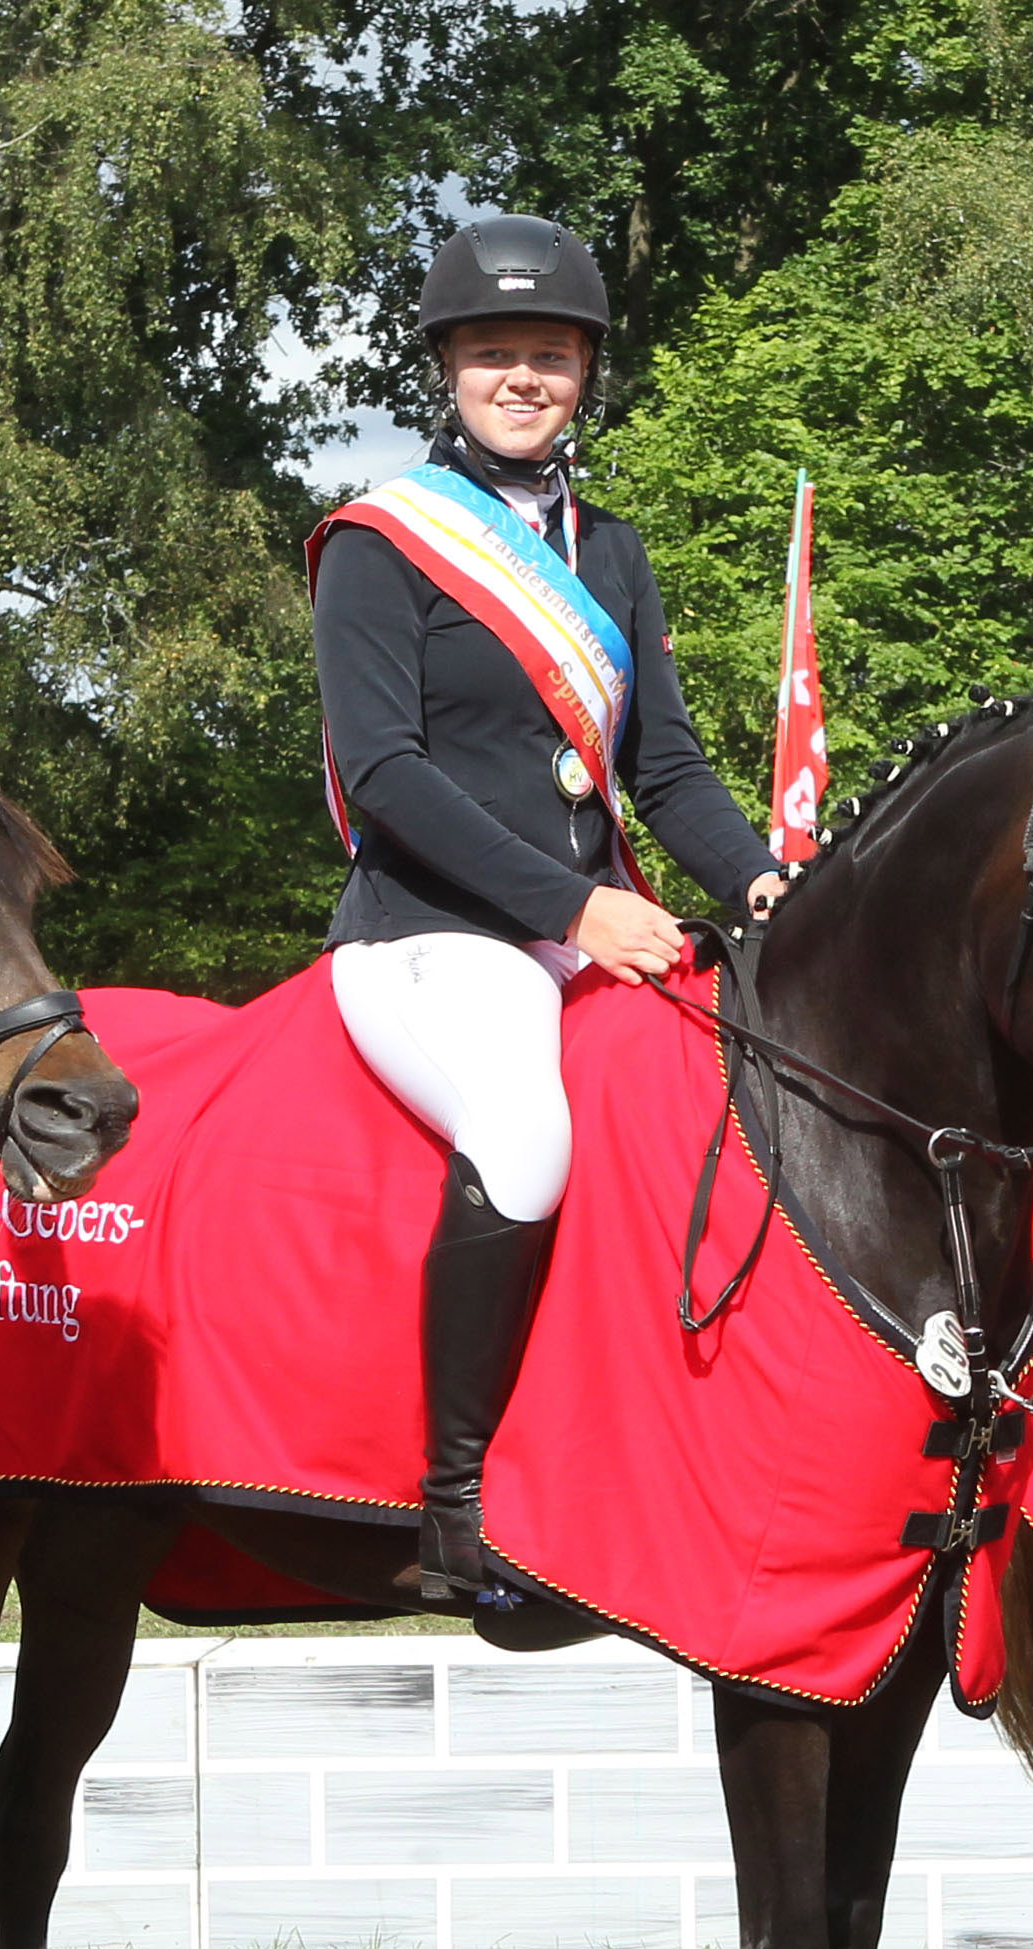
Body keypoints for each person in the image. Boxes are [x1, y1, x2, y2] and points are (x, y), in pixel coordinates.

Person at [307, 216, 789, 1605]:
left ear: (586, 374)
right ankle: (455, 1508)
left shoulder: (613, 552)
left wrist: (762, 882)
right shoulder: (378, 547)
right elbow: (386, 774)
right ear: (449, 370)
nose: (524, 377)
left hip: (583, 929)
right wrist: (578, 913)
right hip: (428, 933)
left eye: (552, 356)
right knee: (524, 1130)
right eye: (494, 353)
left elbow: (670, 770)